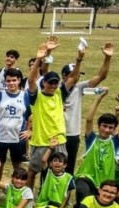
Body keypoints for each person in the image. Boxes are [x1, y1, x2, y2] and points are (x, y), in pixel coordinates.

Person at [26, 37, 80, 190]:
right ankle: (28, 199)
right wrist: (39, 59)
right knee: (32, 172)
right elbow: (31, 80)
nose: (54, 85)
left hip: (58, 141)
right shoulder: (36, 96)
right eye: (51, 82)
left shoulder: (59, 94)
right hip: (41, 141)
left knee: (58, 172)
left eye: (56, 82)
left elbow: (74, 78)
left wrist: (79, 59)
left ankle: (55, 197)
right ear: (43, 83)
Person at [62, 42, 114, 174]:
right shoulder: (56, 89)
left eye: (78, 74)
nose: (77, 77)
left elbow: (101, 76)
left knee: (69, 169)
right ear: (64, 76)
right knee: (53, 168)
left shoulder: (79, 88)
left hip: (72, 134)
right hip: (56, 134)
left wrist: (107, 58)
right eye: (73, 74)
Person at [73, 88, 119, 207]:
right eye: (104, 126)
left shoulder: (114, 142)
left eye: (110, 127)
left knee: (101, 204)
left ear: (114, 129)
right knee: (82, 190)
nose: (107, 130)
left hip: (106, 183)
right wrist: (99, 97)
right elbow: (89, 119)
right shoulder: (91, 139)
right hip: (87, 177)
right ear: (99, 126)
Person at [0, 67, 31, 200]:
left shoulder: (25, 96)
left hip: (18, 138)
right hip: (0, 137)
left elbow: (33, 114)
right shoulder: (0, 95)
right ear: (5, 81)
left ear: (19, 81)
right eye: (8, 81)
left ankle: (19, 192)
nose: (11, 83)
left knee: (18, 166)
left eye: (14, 80)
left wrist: (30, 130)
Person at [36, 139, 75, 208]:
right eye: (55, 161)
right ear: (50, 164)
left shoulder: (68, 177)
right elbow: (44, 160)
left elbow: (67, 196)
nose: (57, 163)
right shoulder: (48, 173)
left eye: (60, 161)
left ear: (64, 165)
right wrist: (50, 148)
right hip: (45, 205)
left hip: (59, 206)